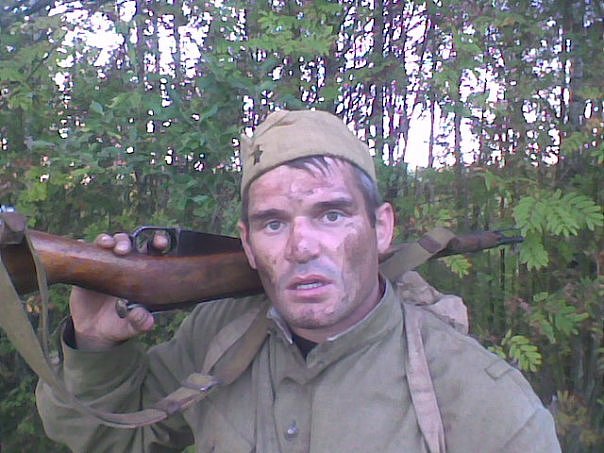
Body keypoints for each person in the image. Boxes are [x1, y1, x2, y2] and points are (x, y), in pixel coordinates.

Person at [36, 109, 561, 452]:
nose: (300, 247)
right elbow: (110, 438)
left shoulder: (486, 405)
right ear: (247, 244)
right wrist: (96, 345)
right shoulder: (217, 334)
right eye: (273, 223)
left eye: (331, 214)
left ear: (381, 228)